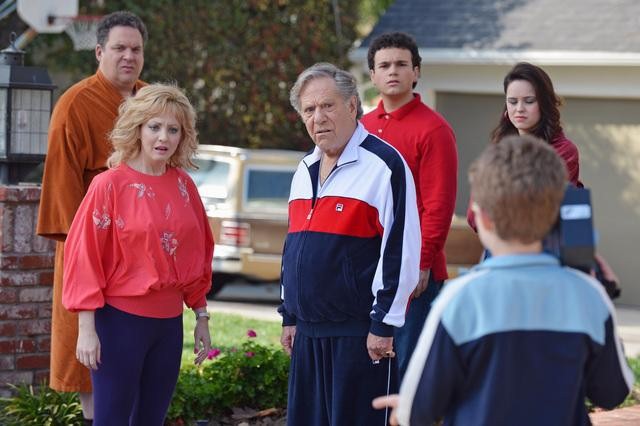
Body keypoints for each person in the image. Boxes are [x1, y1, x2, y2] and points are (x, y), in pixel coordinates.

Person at [373, 135, 634, 425]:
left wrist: (406, 408)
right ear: (554, 217)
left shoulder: (460, 299)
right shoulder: (589, 296)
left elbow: (425, 405)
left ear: (483, 218)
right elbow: (611, 393)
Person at [62, 83, 214, 425]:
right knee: (112, 419)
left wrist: (201, 315)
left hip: (169, 327)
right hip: (119, 325)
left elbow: (198, 251)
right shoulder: (108, 185)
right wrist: (86, 329)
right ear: (138, 129)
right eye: (155, 127)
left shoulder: (184, 185)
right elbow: (85, 256)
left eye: (173, 129)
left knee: (151, 420)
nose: (164, 137)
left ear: (183, 136)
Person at [279, 62, 421, 426]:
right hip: (308, 333)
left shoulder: (384, 165)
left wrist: (383, 323)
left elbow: (401, 249)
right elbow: (293, 248)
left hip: (360, 334)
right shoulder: (304, 169)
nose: (318, 118)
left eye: (328, 105)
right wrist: (290, 316)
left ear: (352, 106)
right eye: (309, 110)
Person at [36, 11, 147, 423]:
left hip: (145, 249)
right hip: (92, 246)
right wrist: (90, 254)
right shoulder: (75, 104)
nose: (128, 57)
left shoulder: (150, 99)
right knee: (93, 361)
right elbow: (63, 191)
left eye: (136, 49)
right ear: (99, 51)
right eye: (119, 48)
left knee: (139, 357)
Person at [467, 61, 619, 291]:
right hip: (498, 252)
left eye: (529, 101)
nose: (519, 109)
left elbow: (537, 213)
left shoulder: (563, 150)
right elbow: (474, 214)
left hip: (544, 257)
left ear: (544, 104)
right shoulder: (499, 147)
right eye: (512, 101)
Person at [361, 32, 458, 379]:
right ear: (372, 75)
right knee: (369, 368)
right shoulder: (361, 128)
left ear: (416, 72)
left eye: (402, 64)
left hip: (415, 270)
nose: (393, 71)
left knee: (407, 371)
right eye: (384, 65)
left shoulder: (434, 130)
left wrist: (421, 262)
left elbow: (439, 204)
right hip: (368, 265)